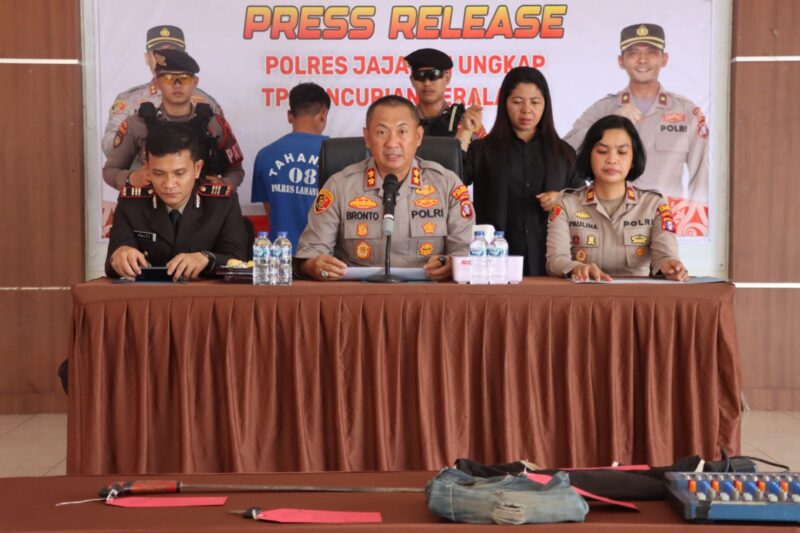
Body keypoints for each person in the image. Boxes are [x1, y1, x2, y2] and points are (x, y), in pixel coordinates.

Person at [295, 95, 473, 281]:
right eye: (381, 132)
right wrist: (313, 265)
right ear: (367, 137)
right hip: (360, 294)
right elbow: (311, 253)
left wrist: (452, 264)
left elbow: (466, 252)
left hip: (429, 293)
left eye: (402, 131)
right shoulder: (339, 186)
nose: (392, 143)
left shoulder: (448, 185)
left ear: (418, 136)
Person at [564, 23, 709, 236]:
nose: (642, 59)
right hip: (610, 224)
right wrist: (609, 121)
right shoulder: (604, 108)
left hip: (666, 223)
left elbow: (701, 172)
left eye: (651, 52)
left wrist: (696, 228)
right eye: (633, 53)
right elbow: (566, 149)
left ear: (664, 59)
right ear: (621, 61)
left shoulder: (686, 111)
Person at [464, 67, 583, 276]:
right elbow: (452, 183)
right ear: (504, 104)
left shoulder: (563, 153)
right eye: (517, 102)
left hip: (550, 263)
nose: (526, 110)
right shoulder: (483, 150)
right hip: (493, 263)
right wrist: (464, 133)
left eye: (535, 102)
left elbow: (584, 203)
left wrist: (561, 200)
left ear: (545, 105)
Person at [546, 115, 688, 282]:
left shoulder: (654, 204)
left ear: (633, 159)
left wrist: (671, 266)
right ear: (589, 156)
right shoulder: (566, 203)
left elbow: (665, 256)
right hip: (584, 293)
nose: (612, 160)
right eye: (602, 151)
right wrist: (577, 267)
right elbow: (555, 261)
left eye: (622, 152)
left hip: (637, 296)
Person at [105, 122, 247, 281]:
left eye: (179, 173)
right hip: (148, 294)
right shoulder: (132, 203)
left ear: (197, 168)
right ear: (147, 169)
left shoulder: (222, 203)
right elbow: (112, 263)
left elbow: (238, 261)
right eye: (158, 173)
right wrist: (119, 255)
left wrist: (207, 259)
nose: (169, 184)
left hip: (203, 295)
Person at [103, 48, 244, 190]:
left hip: (203, 202)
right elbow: (110, 170)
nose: (177, 85)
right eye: (168, 78)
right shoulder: (138, 124)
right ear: (157, 83)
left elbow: (236, 170)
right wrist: (131, 178)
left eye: (184, 78)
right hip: (151, 201)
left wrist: (224, 183)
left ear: (195, 82)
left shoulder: (214, 124)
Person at [101, 25, 223, 158]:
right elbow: (109, 147)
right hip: (144, 170)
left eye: (172, 52)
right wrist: (139, 138)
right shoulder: (129, 100)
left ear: (185, 56)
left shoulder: (205, 102)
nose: (165, 58)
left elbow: (224, 148)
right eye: (158, 52)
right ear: (147, 58)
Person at [251, 82, 331, 250]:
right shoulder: (339, 155)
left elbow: (271, 210)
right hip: (324, 256)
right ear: (323, 114)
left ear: (289, 115)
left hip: (281, 255)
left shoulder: (265, 155)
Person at [404, 48, 485, 152]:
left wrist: (465, 131)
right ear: (412, 80)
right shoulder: (404, 121)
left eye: (434, 75)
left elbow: (484, 156)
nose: (427, 83)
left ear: (447, 78)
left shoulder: (465, 120)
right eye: (420, 76)